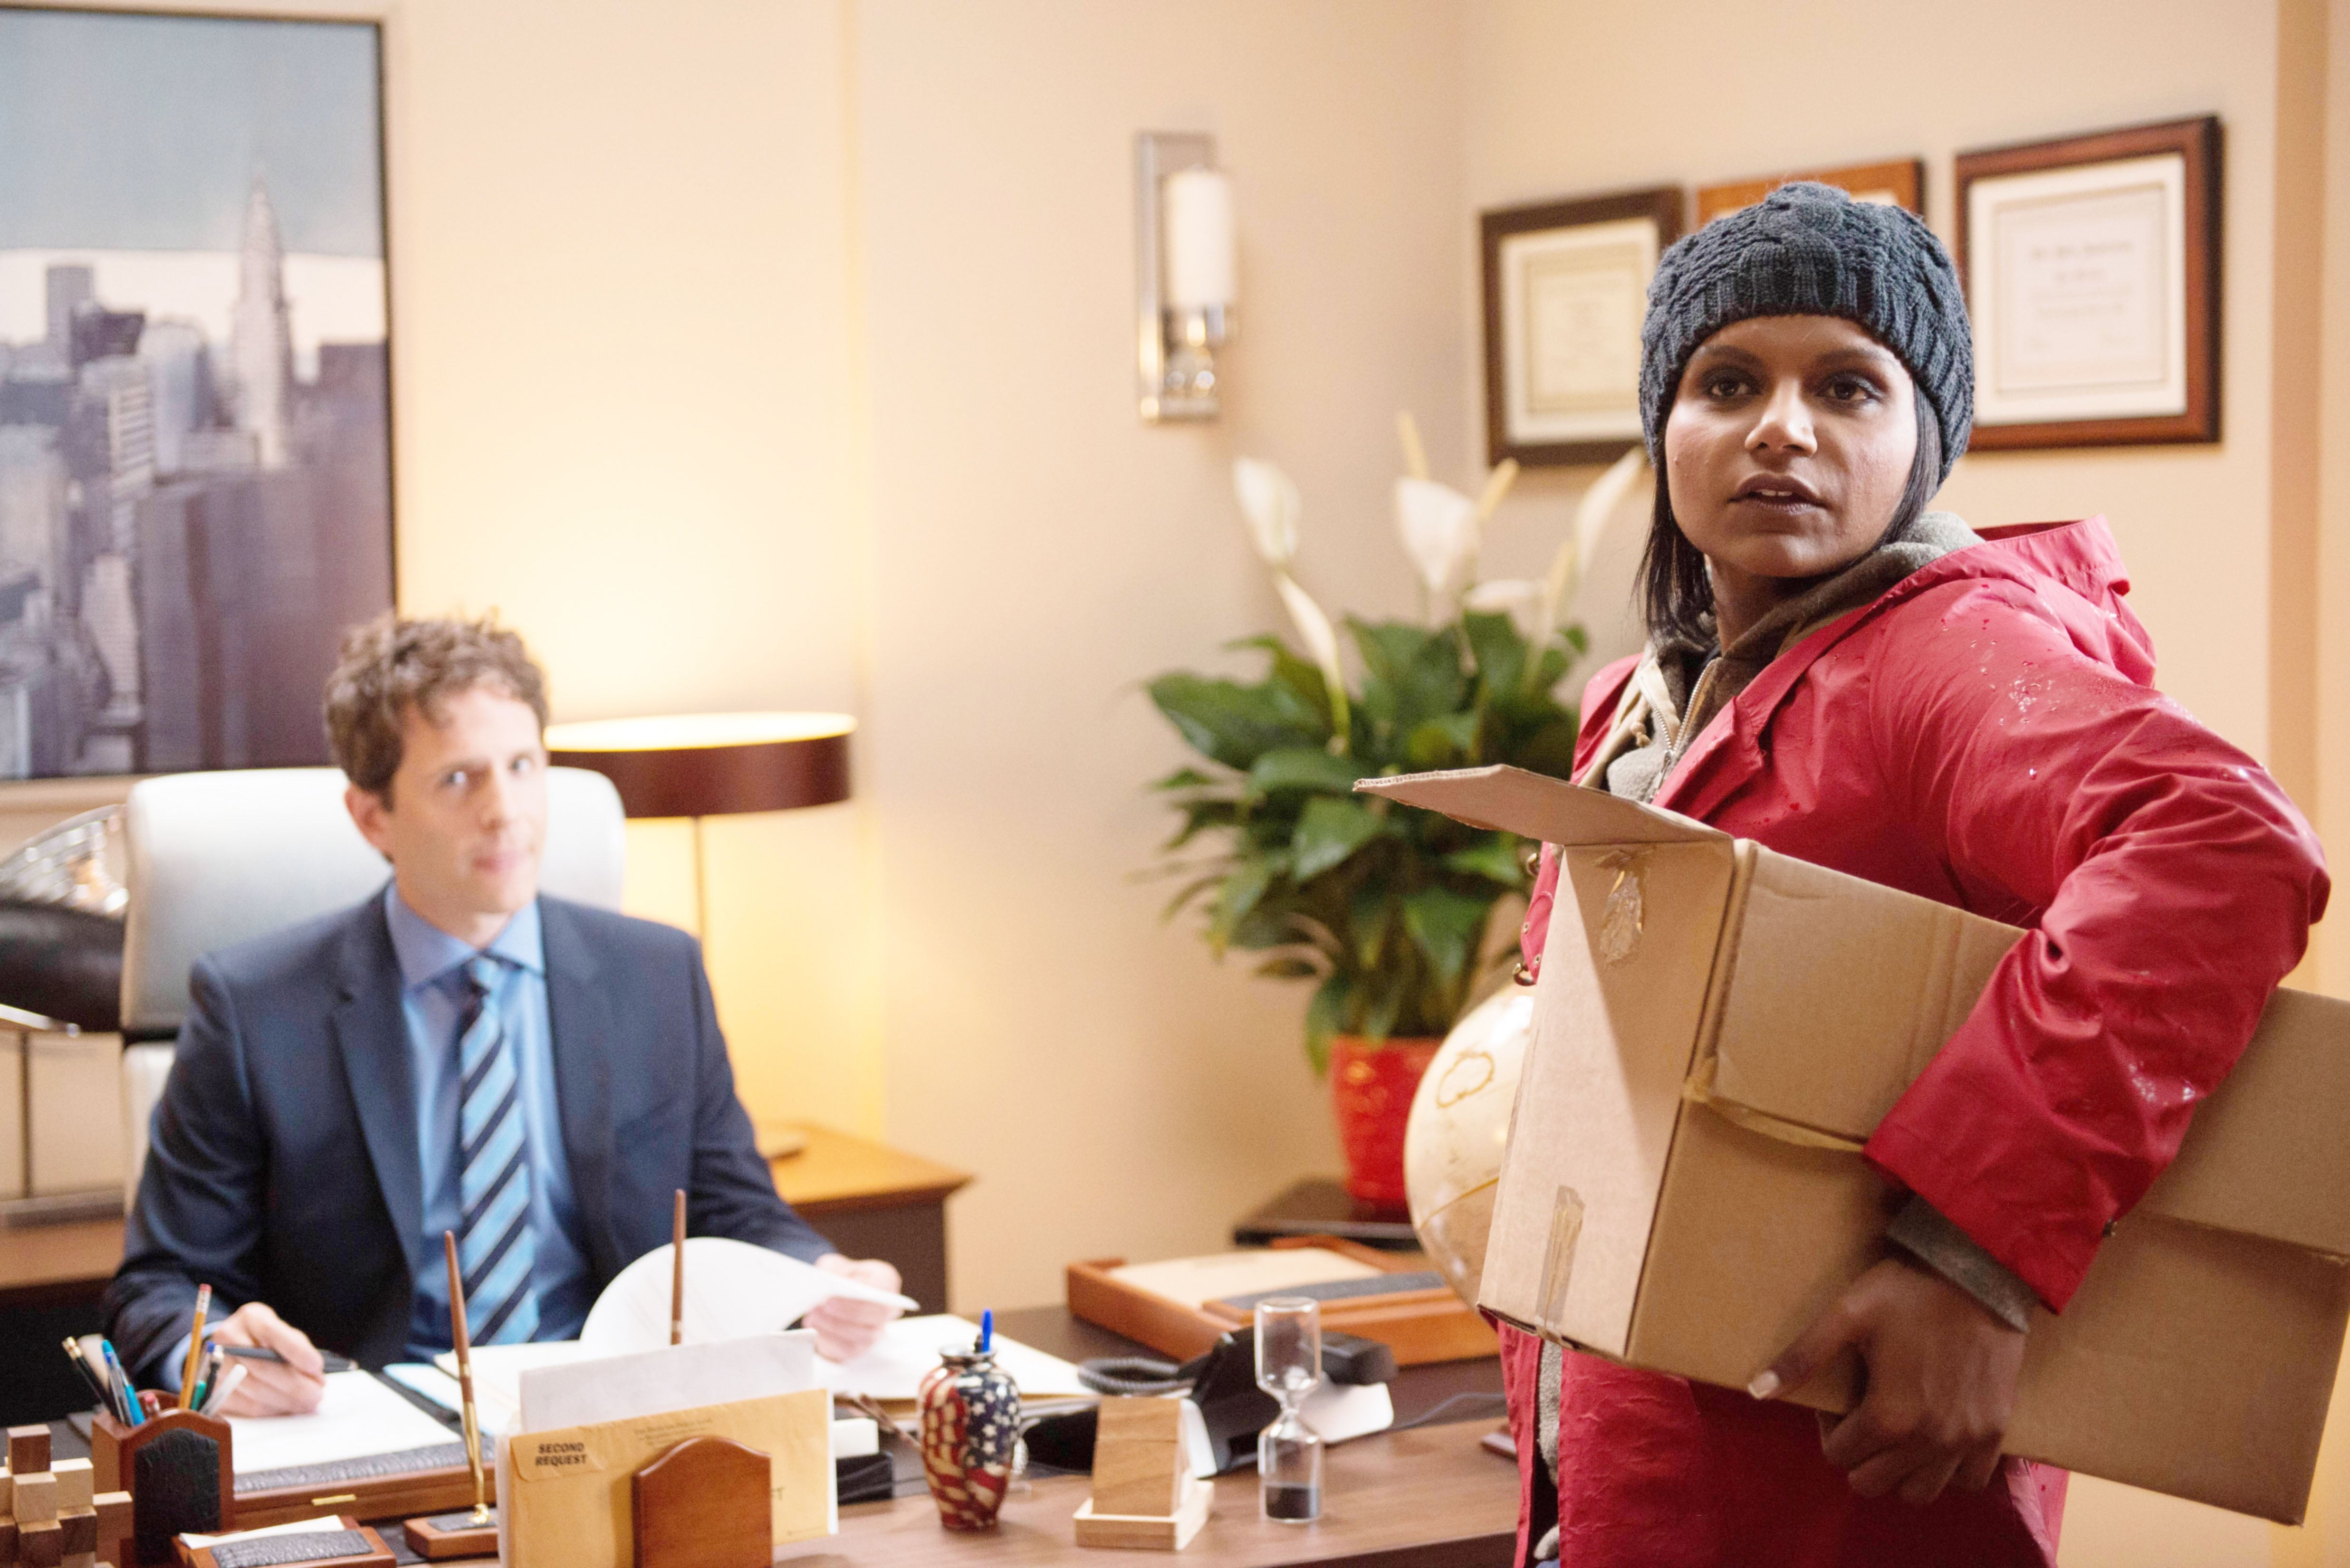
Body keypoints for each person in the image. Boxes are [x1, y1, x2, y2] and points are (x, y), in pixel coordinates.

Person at [1502, 184, 2328, 1566]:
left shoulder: (1939, 661)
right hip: (1621, 1482)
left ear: (1924, 440)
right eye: (1725, 383)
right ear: (1664, 428)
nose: (1780, 427)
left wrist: (1973, 1254)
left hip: (1839, 1493)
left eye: (1846, 386)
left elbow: (2219, 843)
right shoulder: (1635, 709)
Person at [105, 615, 904, 1416]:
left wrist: (819, 1277)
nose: (505, 810)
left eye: (522, 767)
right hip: (373, 1423)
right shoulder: (256, 1008)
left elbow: (735, 1212)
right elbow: (160, 1287)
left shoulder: (658, 976)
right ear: (372, 816)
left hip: (616, 1413)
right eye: (459, 779)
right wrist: (215, 1355)